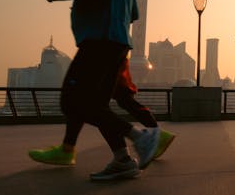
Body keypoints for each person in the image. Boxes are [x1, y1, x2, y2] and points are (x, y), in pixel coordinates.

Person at [34, 0, 160, 181]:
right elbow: (134, 13)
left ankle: (140, 136)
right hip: (116, 42)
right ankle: (122, 159)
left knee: (72, 100)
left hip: (99, 41)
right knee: (97, 105)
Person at [29, 58, 176, 165]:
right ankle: (128, 152)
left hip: (101, 45)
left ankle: (139, 140)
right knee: (121, 98)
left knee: (77, 98)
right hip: (113, 44)